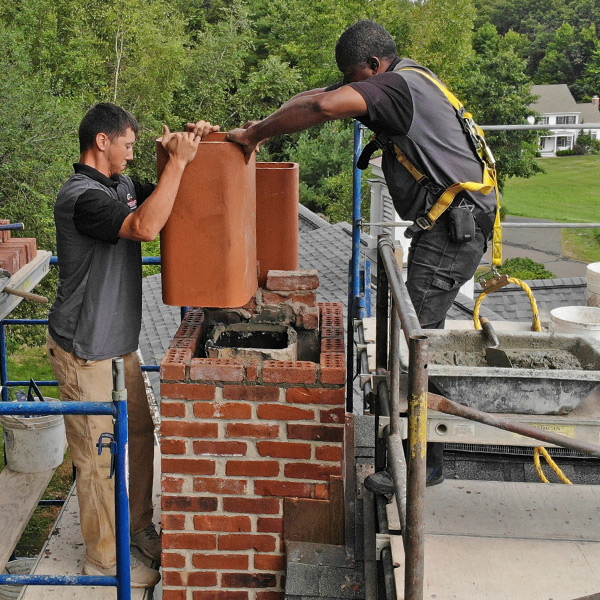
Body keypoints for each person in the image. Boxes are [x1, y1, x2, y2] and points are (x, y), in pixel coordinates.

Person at [215, 20, 498, 490]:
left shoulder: (394, 88)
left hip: (454, 233)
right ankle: (420, 452)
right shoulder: (406, 78)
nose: (350, 89)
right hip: (449, 228)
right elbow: (314, 95)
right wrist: (260, 130)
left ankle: (421, 464)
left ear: (373, 65)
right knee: (417, 340)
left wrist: (254, 137)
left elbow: (326, 106)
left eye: (354, 78)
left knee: (416, 346)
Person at [47, 103, 218, 587]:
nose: (131, 155)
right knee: (99, 459)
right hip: (84, 349)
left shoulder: (118, 187)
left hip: (120, 344)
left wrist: (189, 148)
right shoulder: (82, 197)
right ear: (101, 142)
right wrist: (177, 163)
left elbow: (169, 200)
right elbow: (145, 226)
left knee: (141, 437)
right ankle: (103, 561)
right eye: (127, 145)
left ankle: (138, 529)